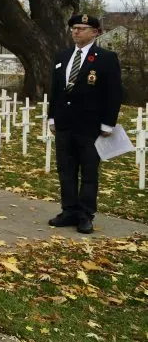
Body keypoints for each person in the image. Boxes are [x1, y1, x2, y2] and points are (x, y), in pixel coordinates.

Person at [47, 13, 122, 235]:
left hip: (90, 126)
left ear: (95, 32)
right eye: (74, 28)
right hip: (65, 124)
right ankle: (68, 210)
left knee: (89, 172)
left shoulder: (106, 58)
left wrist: (108, 123)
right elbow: (56, 90)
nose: (76, 31)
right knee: (66, 170)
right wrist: (52, 117)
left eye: (81, 28)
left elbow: (114, 93)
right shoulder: (63, 55)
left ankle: (85, 214)